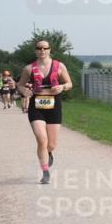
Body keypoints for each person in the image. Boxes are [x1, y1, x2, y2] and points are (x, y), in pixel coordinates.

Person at [16, 40, 73, 184]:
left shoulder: (59, 66)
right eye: (39, 48)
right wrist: (24, 91)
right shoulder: (29, 69)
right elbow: (20, 85)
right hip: (36, 108)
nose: (42, 50)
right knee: (41, 139)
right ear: (35, 50)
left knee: (51, 144)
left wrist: (61, 87)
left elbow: (69, 84)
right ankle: (45, 171)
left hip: (54, 107)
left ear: (49, 50)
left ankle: (48, 153)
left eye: (45, 48)